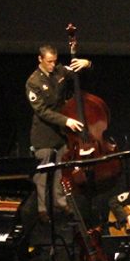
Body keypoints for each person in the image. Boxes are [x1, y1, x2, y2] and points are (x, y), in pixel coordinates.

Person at [26, 44, 92, 222]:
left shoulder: (59, 71)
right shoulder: (33, 82)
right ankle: (41, 209)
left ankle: (60, 203)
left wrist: (87, 63)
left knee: (61, 170)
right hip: (43, 133)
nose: (52, 65)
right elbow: (42, 111)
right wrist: (66, 121)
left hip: (61, 133)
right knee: (43, 173)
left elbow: (77, 75)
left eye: (54, 61)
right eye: (49, 62)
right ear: (40, 59)